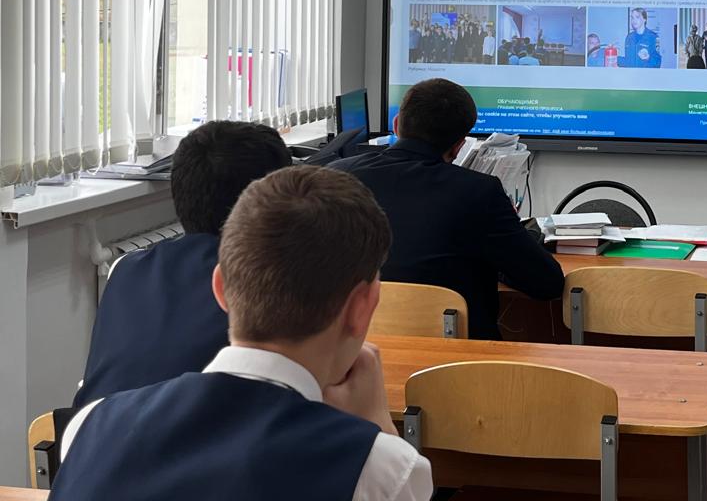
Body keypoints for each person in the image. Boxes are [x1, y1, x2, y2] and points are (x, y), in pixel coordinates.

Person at [53, 165, 434, 501]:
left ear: (220, 288)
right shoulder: (378, 468)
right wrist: (377, 428)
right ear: (362, 307)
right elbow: (389, 471)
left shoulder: (90, 425)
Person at [73, 120, 293, 410]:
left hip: (87, 433)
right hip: (204, 436)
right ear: (275, 204)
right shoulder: (270, 285)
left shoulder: (125, 269)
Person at [331, 78, 564, 340]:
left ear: (396, 125)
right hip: (457, 357)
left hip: (355, 347)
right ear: (459, 146)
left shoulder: (335, 178)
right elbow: (548, 284)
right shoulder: (479, 192)